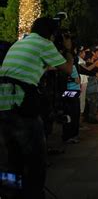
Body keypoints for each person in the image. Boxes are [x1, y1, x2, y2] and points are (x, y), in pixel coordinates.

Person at [0, 17, 73, 198]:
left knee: (11, 158)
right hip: (21, 105)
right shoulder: (44, 44)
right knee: (36, 158)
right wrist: (69, 50)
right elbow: (68, 69)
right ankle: (34, 193)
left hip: (3, 104)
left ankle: (11, 193)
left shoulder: (21, 43)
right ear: (51, 34)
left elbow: (35, 66)